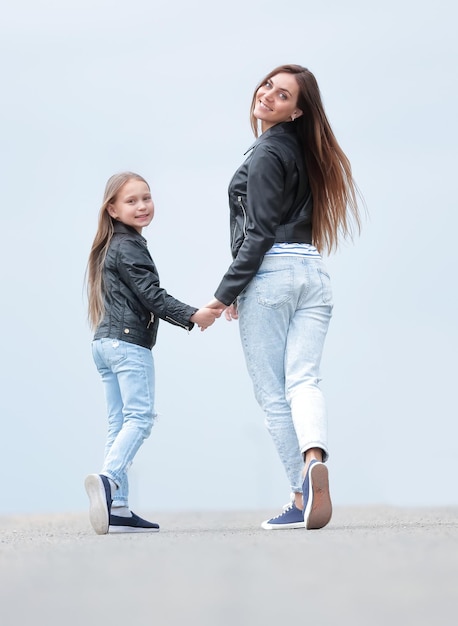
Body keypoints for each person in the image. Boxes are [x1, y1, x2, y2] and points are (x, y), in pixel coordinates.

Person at [206, 64, 363, 530]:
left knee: (274, 393)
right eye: (268, 86)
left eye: (283, 95)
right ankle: (314, 459)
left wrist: (222, 296)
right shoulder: (306, 152)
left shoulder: (265, 155)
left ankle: (300, 493)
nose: (268, 95)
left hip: (271, 274)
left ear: (297, 112)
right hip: (312, 272)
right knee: (304, 380)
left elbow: (257, 235)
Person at [84, 171, 222, 535]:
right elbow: (151, 295)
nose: (142, 206)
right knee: (140, 419)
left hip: (105, 344)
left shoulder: (113, 244)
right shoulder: (128, 246)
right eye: (131, 201)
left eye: (146, 198)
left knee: (120, 423)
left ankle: (121, 509)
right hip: (128, 345)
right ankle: (109, 479)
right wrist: (194, 315)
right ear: (112, 210)